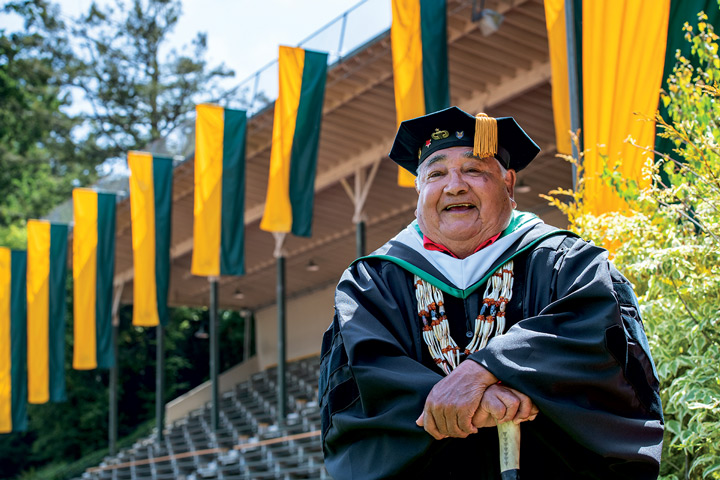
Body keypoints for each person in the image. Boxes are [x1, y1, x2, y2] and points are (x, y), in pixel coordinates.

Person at [319, 106, 663, 479]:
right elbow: (366, 377)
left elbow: (597, 339)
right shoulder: (373, 282)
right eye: (436, 173)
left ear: (509, 185)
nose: (454, 185)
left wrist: (485, 369)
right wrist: (467, 404)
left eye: (473, 170)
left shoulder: (567, 263)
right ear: (419, 192)